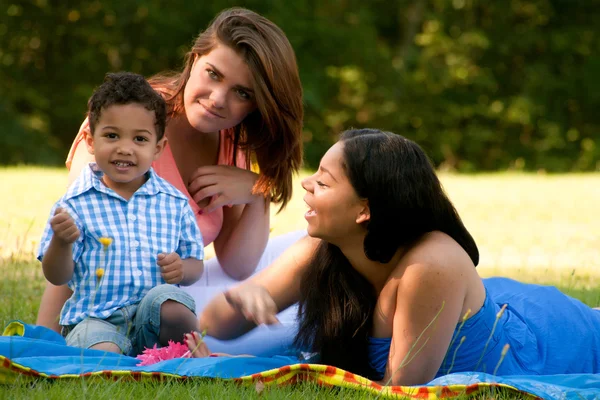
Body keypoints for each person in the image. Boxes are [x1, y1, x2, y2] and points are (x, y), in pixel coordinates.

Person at [187, 128, 600, 385]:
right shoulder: (322, 250)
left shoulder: (429, 265)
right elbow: (213, 326)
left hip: (558, 341)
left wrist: (278, 378)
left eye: (325, 182)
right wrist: (240, 300)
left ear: (364, 210)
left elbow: (400, 389)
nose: (307, 184)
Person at [36, 7, 305, 348]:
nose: (218, 100)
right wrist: (44, 347)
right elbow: (78, 241)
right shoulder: (127, 124)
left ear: (256, 106)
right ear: (194, 60)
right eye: (214, 74)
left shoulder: (231, 141)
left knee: (314, 256)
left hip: (166, 304)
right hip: (100, 312)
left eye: (243, 93)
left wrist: (257, 189)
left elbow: (238, 266)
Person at [38, 72, 205, 355]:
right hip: (95, 318)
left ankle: (180, 351)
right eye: (112, 135)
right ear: (91, 141)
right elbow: (57, 276)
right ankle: (116, 356)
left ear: (158, 148)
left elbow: (195, 265)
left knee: (174, 306)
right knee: (103, 351)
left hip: (150, 318)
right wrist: (61, 243)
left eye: (139, 139)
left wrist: (182, 268)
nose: (124, 148)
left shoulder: (174, 203)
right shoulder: (75, 204)